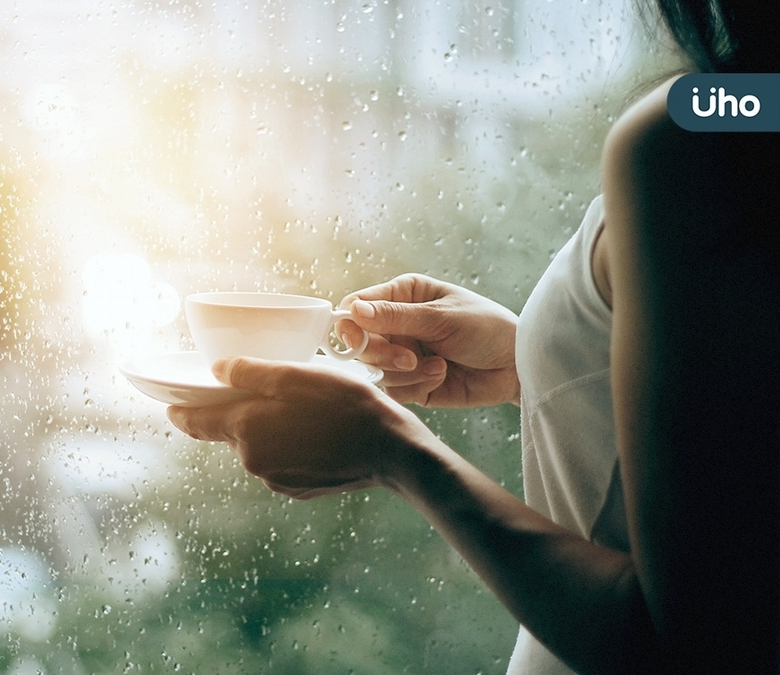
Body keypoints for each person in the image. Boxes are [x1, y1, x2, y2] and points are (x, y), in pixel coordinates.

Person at [168, 0, 780, 672]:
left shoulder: (692, 127)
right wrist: (547, 365)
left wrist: (392, 451)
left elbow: (696, 649)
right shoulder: (746, 110)